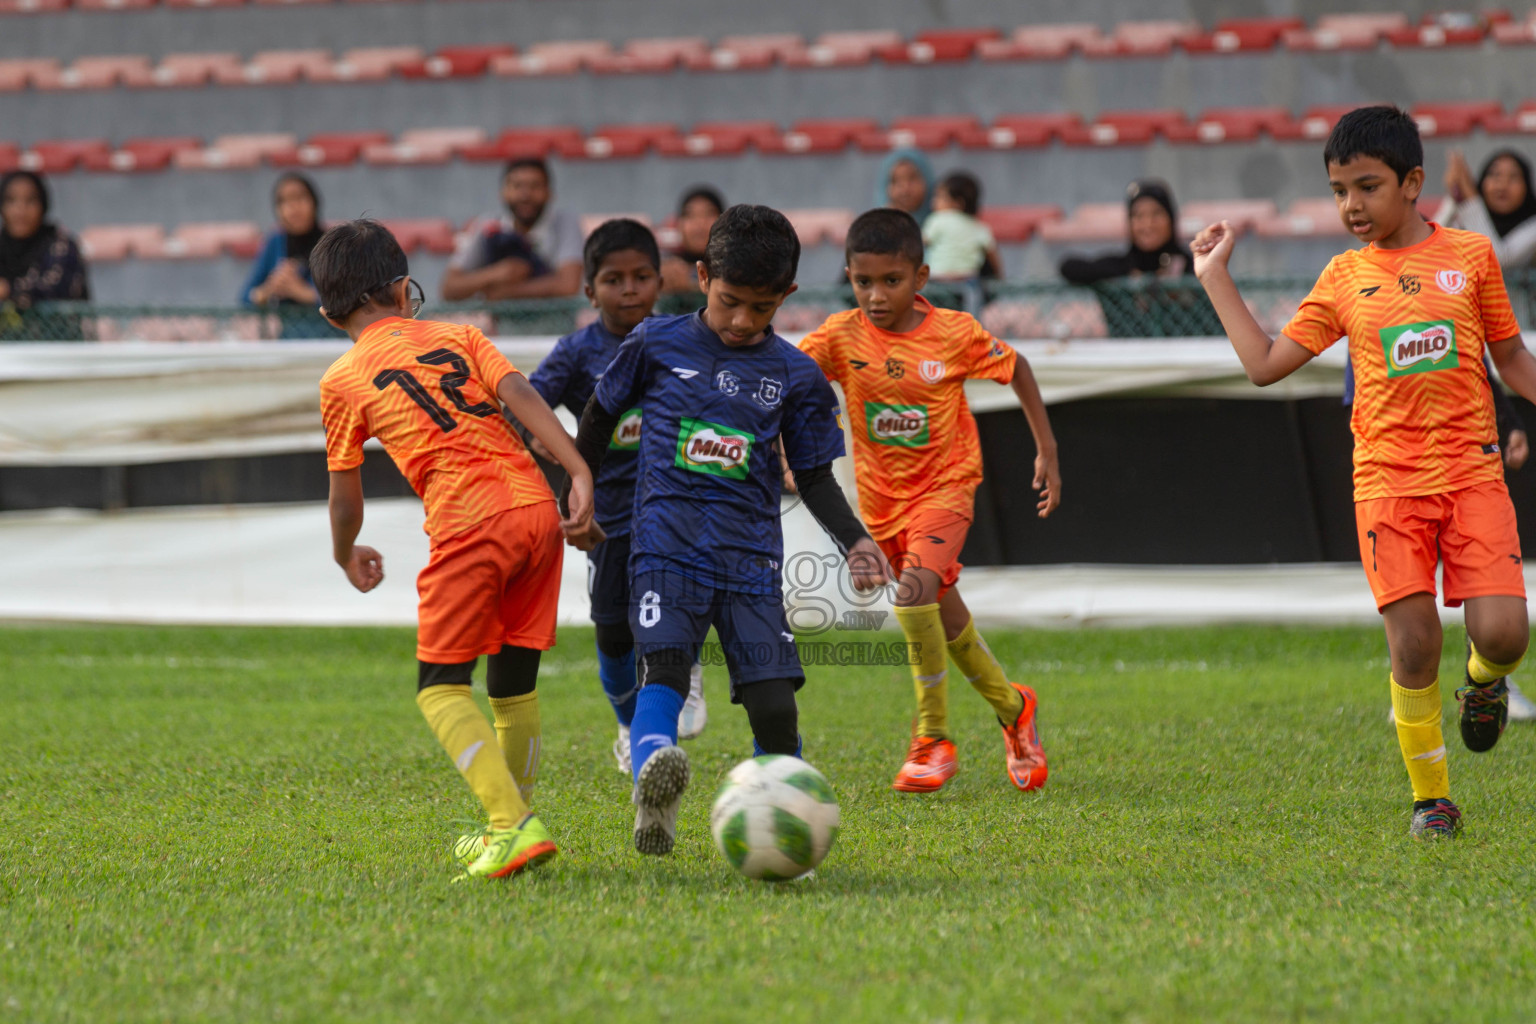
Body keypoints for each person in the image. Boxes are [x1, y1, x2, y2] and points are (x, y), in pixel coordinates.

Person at [1193, 105, 1536, 838]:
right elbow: (1263, 365)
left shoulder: (1472, 257)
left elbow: (1509, 359)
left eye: (1367, 186)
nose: (1351, 205)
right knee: (1413, 646)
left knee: (1506, 636)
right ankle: (1432, 800)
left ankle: (1483, 684)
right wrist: (1214, 276)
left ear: (1414, 182)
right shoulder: (1344, 279)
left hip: (1473, 475)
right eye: (1339, 190)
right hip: (1386, 484)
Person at [563, 204, 889, 856]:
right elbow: (598, 418)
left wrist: (855, 541)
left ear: (787, 298)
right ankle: (654, 781)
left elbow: (817, 477)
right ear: (703, 275)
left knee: (774, 704)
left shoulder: (796, 376)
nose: (742, 321)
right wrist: (580, 487)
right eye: (729, 301)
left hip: (751, 561)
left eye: (761, 309)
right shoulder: (655, 343)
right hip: (665, 543)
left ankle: (786, 820)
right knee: (666, 668)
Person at [315, 219, 596, 879]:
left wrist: (344, 550)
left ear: (331, 316)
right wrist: (577, 470)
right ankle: (512, 826)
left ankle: (511, 824)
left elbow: (345, 494)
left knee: (440, 688)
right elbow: (520, 394)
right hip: (534, 511)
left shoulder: (343, 378)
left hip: (470, 524)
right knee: (512, 684)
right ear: (402, 288)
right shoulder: (460, 335)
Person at [799, 208, 1059, 794]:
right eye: (863, 282)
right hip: (881, 502)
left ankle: (932, 739)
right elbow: (790, 378)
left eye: (891, 281)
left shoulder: (955, 333)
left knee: (915, 592)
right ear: (849, 277)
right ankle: (1014, 708)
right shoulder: (840, 336)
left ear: (921, 277)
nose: (875, 295)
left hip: (947, 487)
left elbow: (1017, 368)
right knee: (939, 608)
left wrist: (1048, 449)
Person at [526, 219, 709, 773]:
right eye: (613, 279)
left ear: (660, 281)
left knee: (684, 596)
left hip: (674, 504)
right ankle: (630, 727)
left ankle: (687, 674)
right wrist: (551, 442)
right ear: (589, 290)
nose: (628, 288)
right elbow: (528, 404)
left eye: (641, 276)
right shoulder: (577, 351)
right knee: (611, 628)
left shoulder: (683, 337)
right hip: (604, 515)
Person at [1059, 179, 1220, 337]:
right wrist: (1130, 277)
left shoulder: (1192, 264)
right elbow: (1068, 267)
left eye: (1156, 214)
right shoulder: (1121, 265)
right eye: (1138, 216)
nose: (1148, 224)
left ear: (1170, 219)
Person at [441, 158, 584, 301]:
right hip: (500, 323)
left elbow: (568, 286)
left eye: (535, 186)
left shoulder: (565, 224)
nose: (525, 195)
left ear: (549, 193)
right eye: (517, 186)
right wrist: (497, 273)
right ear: (503, 193)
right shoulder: (488, 226)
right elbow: (449, 288)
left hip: (555, 322)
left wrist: (505, 293)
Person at [240, 172, 334, 338]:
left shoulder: (333, 244)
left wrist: (301, 292)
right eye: (285, 201)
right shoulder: (275, 242)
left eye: (300, 198)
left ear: (314, 202)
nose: (293, 207)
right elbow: (246, 297)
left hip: (327, 338)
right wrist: (269, 289)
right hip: (285, 340)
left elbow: (345, 300)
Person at [0, 170, 89, 340]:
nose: (20, 210)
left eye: (31, 201)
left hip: (59, 348)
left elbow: (54, 290)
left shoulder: (62, 246)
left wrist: (8, 290)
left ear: (43, 205)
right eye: (11, 201)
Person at [1437, 148, 1536, 269]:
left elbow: (1499, 260)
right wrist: (1454, 196)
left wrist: (1470, 197)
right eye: (1495, 175)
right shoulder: (1466, 218)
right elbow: (1431, 246)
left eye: (1514, 177)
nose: (1502, 185)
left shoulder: (1533, 226)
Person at [922, 171, 1001, 311]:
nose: (933, 201)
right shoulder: (979, 227)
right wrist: (999, 278)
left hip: (937, 280)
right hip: (968, 282)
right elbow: (993, 255)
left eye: (940, 197)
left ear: (958, 203)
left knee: (933, 314)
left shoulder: (938, 220)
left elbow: (921, 243)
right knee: (968, 316)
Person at [660, 185, 724, 293]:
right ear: (678, 224)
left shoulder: (736, 270)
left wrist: (692, 283)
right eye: (690, 215)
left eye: (708, 214)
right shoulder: (664, 269)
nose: (700, 224)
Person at [876, 148, 935, 222]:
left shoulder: (943, 223)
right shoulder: (878, 228)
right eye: (895, 181)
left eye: (912, 178)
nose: (905, 189)